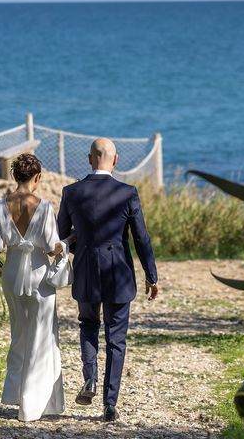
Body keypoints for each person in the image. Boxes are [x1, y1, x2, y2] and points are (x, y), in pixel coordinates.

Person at [57, 138, 159, 422]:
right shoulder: (127, 193)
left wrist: (83, 245)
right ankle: (110, 404)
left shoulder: (71, 192)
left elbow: (61, 236)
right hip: (119, 274)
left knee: (88, 325)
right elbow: (141, 238)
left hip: (87, 270)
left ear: (90, 159)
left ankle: (90, 378)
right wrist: (152, 276)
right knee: (116, 339)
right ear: (115, 160)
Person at [0, 153, 67, 422]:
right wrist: (65, 245)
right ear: (38, 177)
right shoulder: (44, 207)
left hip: (11, 274)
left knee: (19, 334)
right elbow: (53, 247)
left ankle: (17, 396)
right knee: (43, 336)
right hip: (39, 277)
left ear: (13, 175)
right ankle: (33, 405)